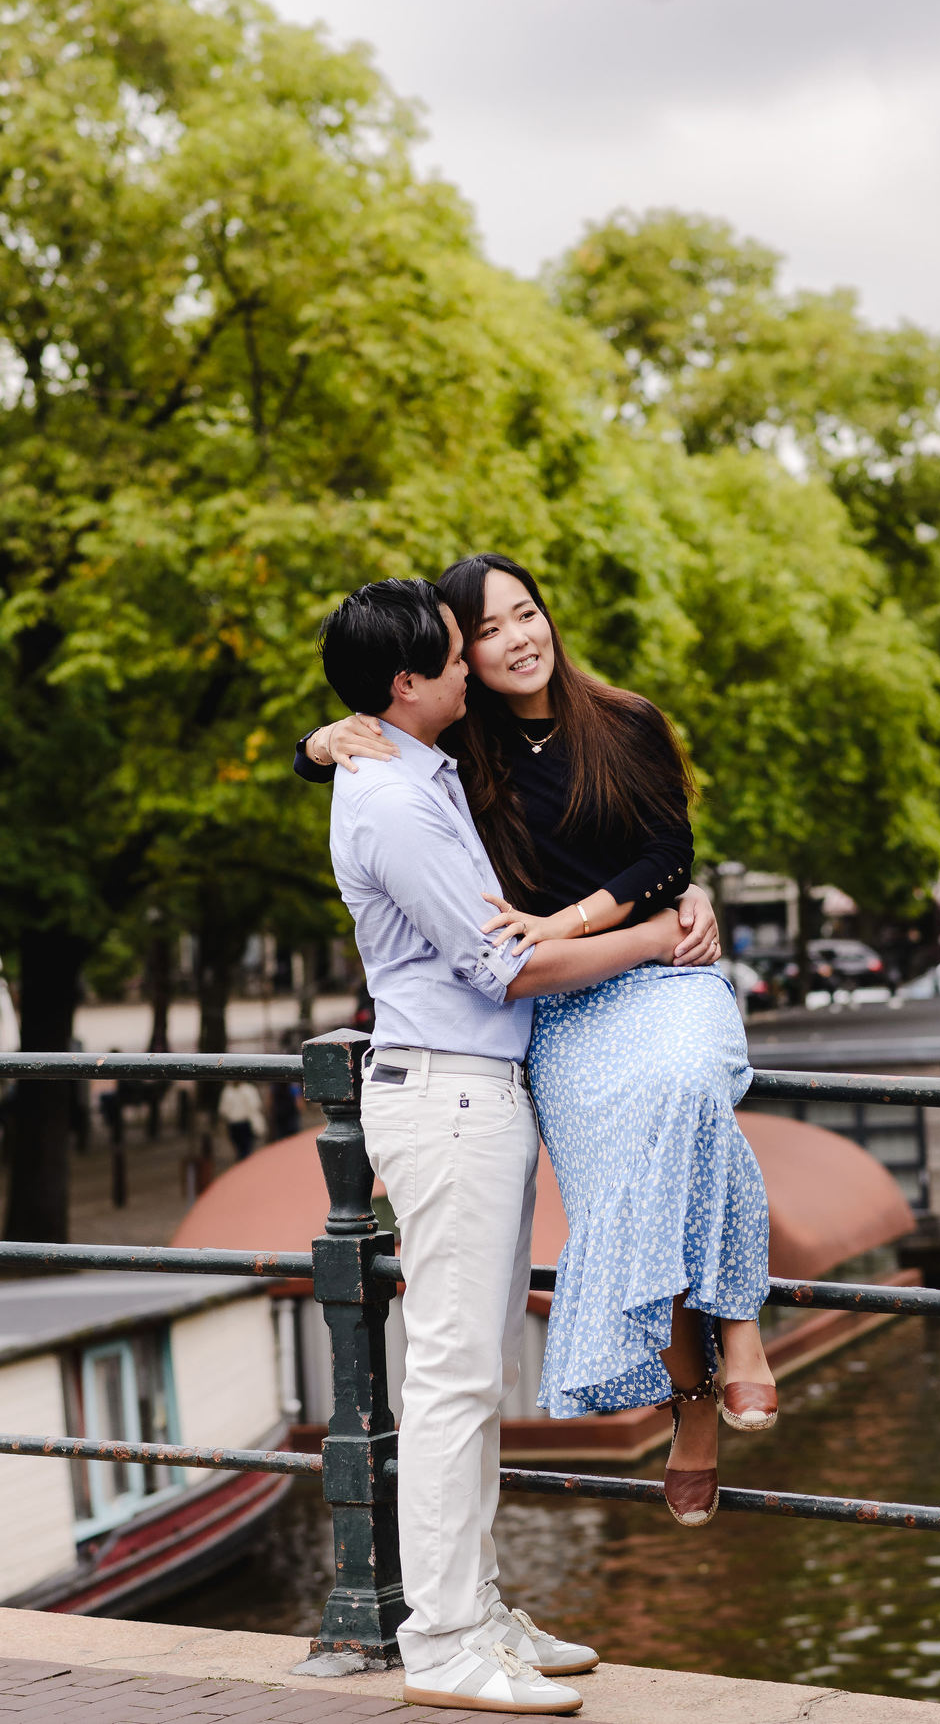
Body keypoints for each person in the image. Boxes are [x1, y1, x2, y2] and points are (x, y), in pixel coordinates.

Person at [299, 554, 776, 1535]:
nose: (518, 639)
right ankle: (707, 1373)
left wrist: (577, 920)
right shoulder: (458, 752)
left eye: (528, 614)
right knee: (627, 1173)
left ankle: (730, 1337)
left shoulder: (626, 721)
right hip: (558, 1010)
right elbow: (352, 758)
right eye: (487, 629)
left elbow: (667, 854)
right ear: (456, 658)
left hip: (664, 975)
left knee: (688, 1088)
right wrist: (318, 742)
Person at [314, 576, 698, 1715]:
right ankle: (440, 1639)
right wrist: (654, 941)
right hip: (450, 1095)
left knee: (468, 1376)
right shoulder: (392, 802)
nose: (477, 663)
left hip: (474, 1092)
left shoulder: (418, 772)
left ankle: (475, 1607)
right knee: (450, 1379)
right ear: (411, 684)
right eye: (455, 652)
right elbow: (507, 966)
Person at [217, 1079, 266, 1160]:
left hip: (245, 1123)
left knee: (246, 1149)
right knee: (241, 1149)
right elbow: (223, 1110)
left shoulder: (248, 1089)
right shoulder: (228, 1091)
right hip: (234, 1124)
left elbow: (255, 1107)